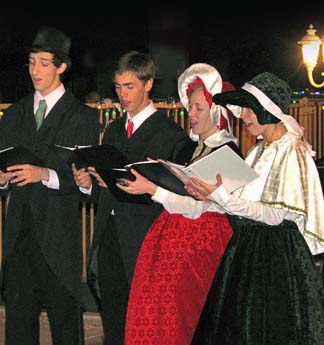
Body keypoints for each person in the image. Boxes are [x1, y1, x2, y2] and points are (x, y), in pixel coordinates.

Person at [182, 72, 324, 345]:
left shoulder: (292, 150)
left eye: (248, 109)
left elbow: (277, 215)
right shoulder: (259, 150)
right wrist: (211, 196)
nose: (243, 116)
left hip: (277, 258)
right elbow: (246, 204)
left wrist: (223, 197)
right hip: (249, 251)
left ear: (266, 109)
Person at [115, 63, 241, 345]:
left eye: (198, 108)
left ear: (216, 110)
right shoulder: (186, 146)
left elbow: (201, 206)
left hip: (203, 245)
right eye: (190, 107)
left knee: (184, 316)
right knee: (154, 309)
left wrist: (153, 188)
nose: (191, 114)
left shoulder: (229, 152)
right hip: (171, 237)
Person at [73, 50, 189, 345]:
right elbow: (104, 191)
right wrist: (88, 184)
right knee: (113, 319)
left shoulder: (170, 135)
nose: (122, 95)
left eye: (130, 86)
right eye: (118, 87)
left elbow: (179, 197)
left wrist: (145, 188)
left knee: (144, 325)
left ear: (148, 83)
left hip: (147, 241)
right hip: (109, 237)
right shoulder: (112, 130)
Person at [0, 26, 100, 345]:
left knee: (66, 328)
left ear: (61, 67)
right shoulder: (13, 114)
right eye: (31, 62)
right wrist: (2, 180)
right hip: (18, 240)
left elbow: (86, 184)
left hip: (59, 242)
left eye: (43, 63)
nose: (35, 71)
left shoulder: (82, 118)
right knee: (18, 328)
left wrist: (44, 174)